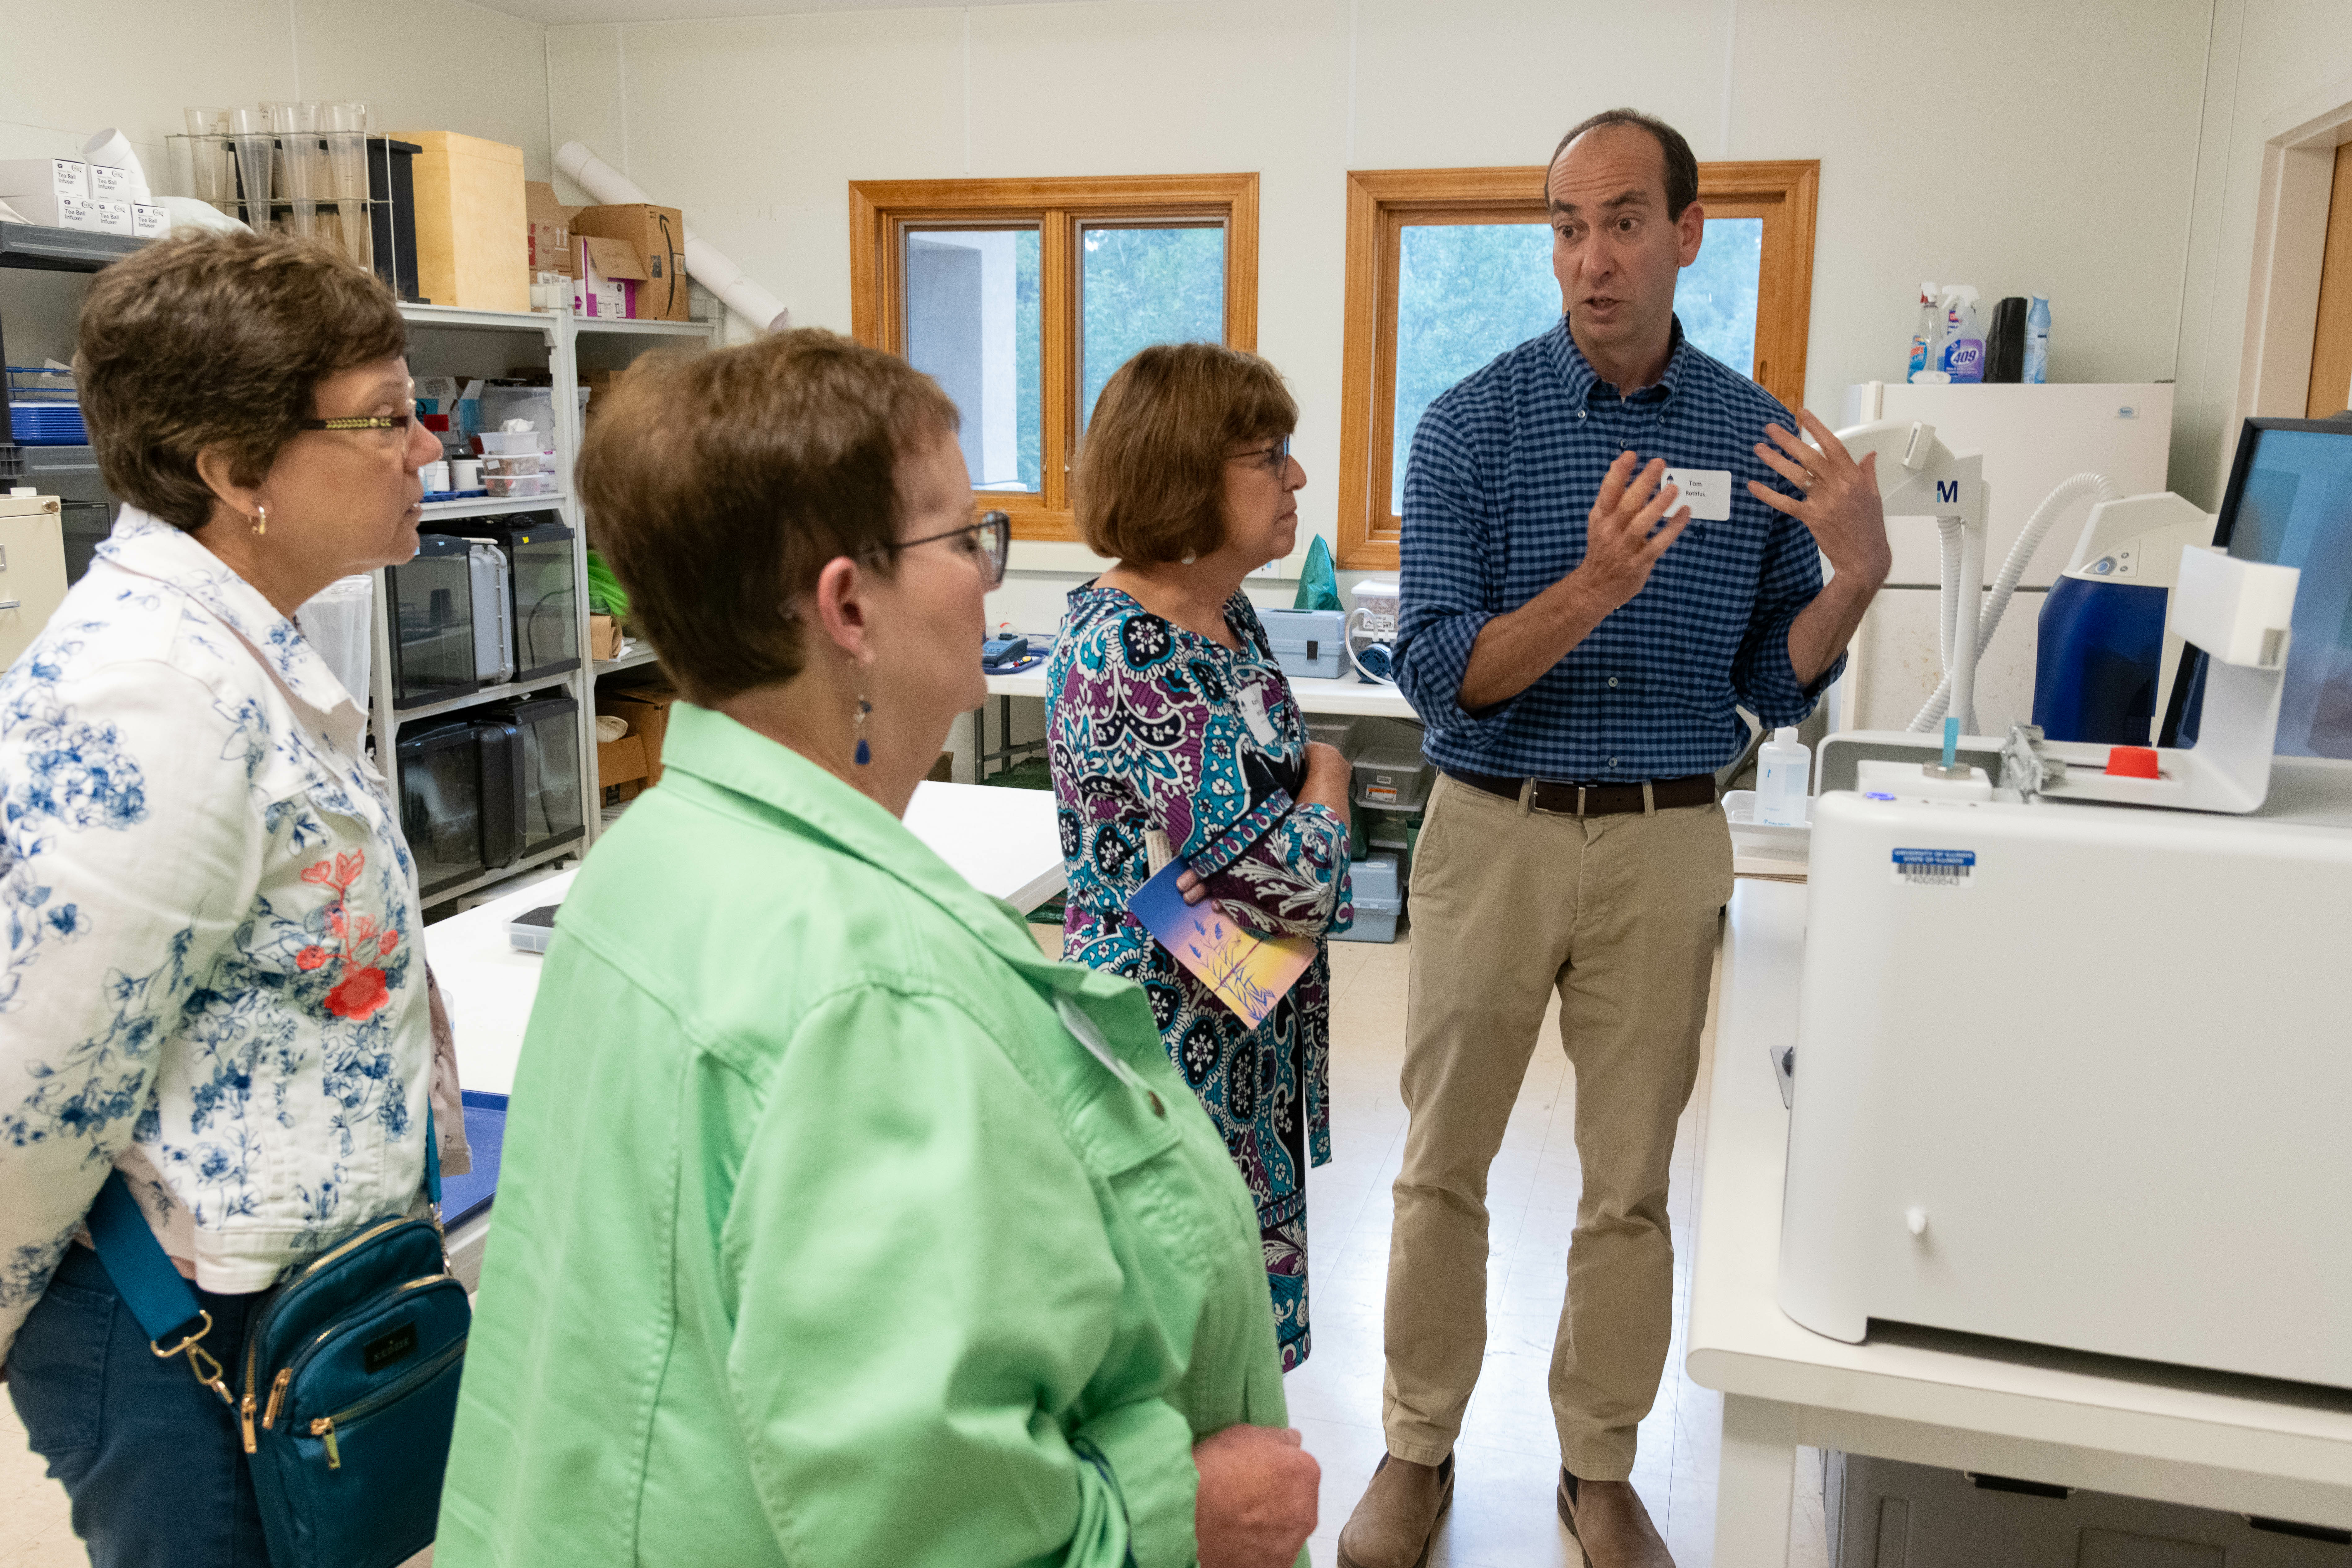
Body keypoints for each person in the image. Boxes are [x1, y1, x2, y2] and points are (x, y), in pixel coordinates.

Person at [434, 329, 1320, 1568]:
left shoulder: (653, 854)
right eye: (965, 540)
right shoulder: (868, 987)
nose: (989, 578)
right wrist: (1177, 1515)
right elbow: (930, 1518)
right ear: (849, 604)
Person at [1336, 110, 1890, 1568]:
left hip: (1664, 841)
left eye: (1625, 222)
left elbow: (1773, 681)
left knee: (1630, 1180)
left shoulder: (1756, 441)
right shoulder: (1468, 424)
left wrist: (1862, 570)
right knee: (1440, 1162)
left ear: (1688, 233)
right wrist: (1593, 584)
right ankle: (1414, 1440)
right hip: (1491, 832)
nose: (1592, 258)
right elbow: (1444, 669)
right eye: (1568, 226)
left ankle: (1598, 1464)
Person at [0, 230, 468, 1566]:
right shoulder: (147, 692)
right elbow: (32, 1087)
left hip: (285, 1304)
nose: (425, 446)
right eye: (383, 420)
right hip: (176, 1336)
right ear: (233, 469)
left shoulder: (247, 648)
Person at [1048, 343, 1354, 1373]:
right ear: (1183, 477)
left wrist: (1256, 896)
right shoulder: (1122, 650)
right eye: (1269, 456)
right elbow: (1289, 893)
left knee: (1235, 1358)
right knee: (1181, 1361)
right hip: (1169, 1052)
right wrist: (1328, 785)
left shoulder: (1221, 615)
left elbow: (1254, 907)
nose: (1297, 478)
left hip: (1236, 1029)